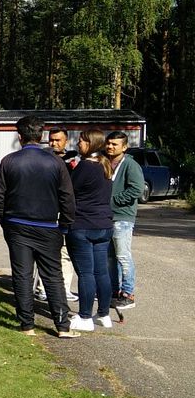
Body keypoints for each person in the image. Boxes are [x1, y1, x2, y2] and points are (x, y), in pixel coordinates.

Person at [0, 116, 78, 338]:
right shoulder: (56, 163)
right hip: (48, 225)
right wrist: (65, 225)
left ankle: (27, 325)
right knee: (52, 275)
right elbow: (67, 197)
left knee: (22, 275)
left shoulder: (9, 161)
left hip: (17, 224)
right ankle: (62, 326)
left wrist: (4, 220)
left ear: (19, 136)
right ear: (41, 136)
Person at [66, 129, 115, 332]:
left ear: (91, 144)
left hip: (83, 224)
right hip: (104, 225)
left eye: (83, 141)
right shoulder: (105, 165)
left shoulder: (85, 166)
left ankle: (85, 316)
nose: (78, 144)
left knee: (86, 273)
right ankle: (104, 314)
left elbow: (69, 190)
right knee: (101, 272)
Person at [35, 126, 79, 303]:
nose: (54, 143)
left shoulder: (74, 161)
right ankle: (42, 288)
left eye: (58, 140)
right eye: (51, 140)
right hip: (46, 210)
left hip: (65, 210)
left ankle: (65, 287)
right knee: (44, 250)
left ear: (65, 141)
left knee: (66, 251)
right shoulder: (42, 158)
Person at [106, 131, 144, 310]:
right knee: (110, 257)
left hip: (123, 217)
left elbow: (137, 189)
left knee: (123, 255)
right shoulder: (105, 162)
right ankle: (114, 292)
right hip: (105, 217)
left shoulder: (130, 165)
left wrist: (114, 200)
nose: (110, 146)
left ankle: (128, 293)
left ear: (124, 146)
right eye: (109, 143)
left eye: (115, 144)